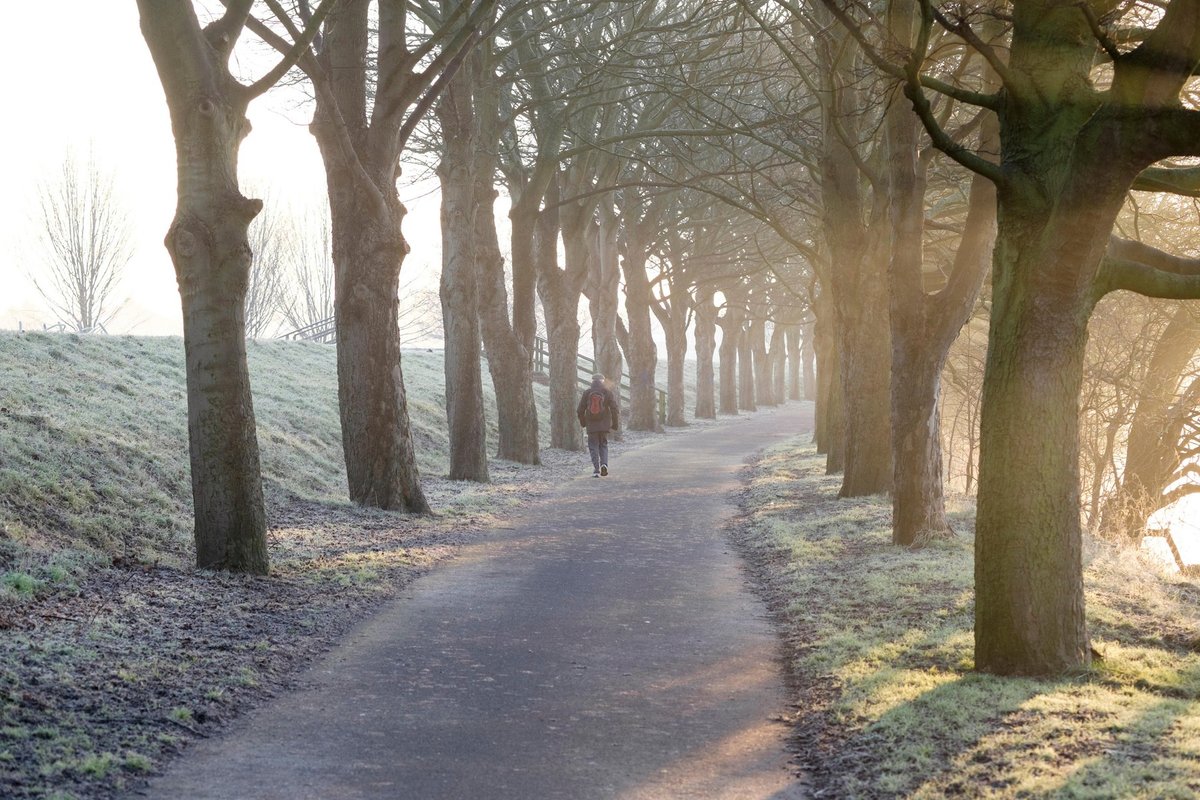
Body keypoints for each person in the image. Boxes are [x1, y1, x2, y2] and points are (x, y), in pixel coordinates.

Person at [577, 373, 619, 477]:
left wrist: (583, 423)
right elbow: (614, 409)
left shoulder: (587, 393)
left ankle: (596, 470)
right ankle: (604, 464)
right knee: (603, 445)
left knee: (593, 446)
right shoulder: (607, 392)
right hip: (604, 424)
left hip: (591, 425)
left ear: (592, 381)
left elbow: (580, 410)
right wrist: (615, 424)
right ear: (602, 381)